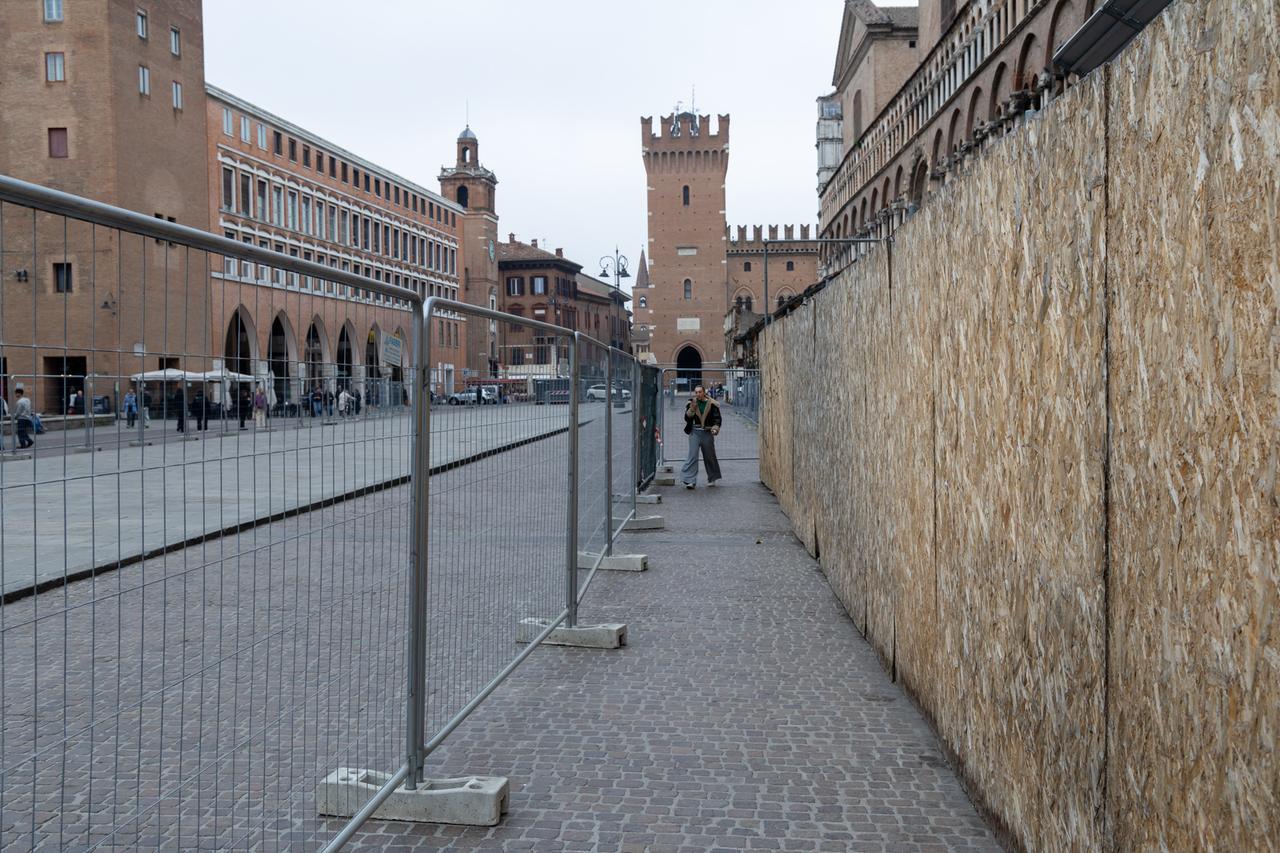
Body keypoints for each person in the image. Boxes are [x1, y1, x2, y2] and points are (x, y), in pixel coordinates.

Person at [681, 384, 722, 489]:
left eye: (700, 392)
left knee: (709, 455)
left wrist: (715, 428)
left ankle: (712, 478)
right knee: (693, 455)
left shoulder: (712, 404)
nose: (698, 394)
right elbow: (687, 418)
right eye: (696, 392)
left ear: (704, 392)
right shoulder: (691, 403)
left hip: (707, 432)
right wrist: (691, 410)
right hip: (694, 432)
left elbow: (717, 418)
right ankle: (690, 481)